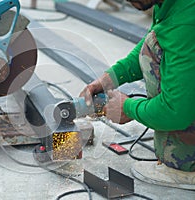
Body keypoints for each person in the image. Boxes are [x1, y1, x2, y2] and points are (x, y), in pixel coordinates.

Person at [80, 0, 195, 190]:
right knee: (154, 43)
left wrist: (128, 107)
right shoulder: (173, 5)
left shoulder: (185, 23)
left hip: (178, 115)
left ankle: (186, 167)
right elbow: (155, 39)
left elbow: (175, 112)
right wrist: (110, 78)